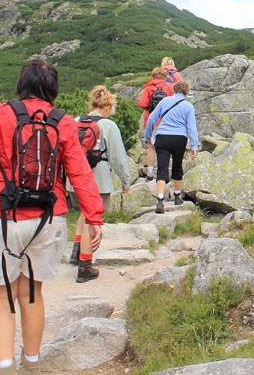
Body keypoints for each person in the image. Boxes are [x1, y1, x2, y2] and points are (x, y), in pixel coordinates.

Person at [0, 58, 104, 374]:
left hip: (3, 217)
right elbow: (80, 172)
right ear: (52, 90)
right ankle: (33, 364)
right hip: (48, 220)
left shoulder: (1, 114)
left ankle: (4, 367)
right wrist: (94, 216)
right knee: (32, 292)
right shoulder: (63, 122)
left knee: (2, 295)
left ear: (21, 85)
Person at [67, 86, 132, 283]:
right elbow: (118, 157)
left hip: (75, 180)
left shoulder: (76, 121)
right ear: (108, 106)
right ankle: (85, 266)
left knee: (84, 213)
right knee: (91, 218)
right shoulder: (108, 126)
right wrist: (125, 179)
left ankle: (76, 251)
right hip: (98, 180)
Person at [144, 80, 199, 213]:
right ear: (186, 91)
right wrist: (194, 146)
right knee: (177, 165)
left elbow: (152, 119)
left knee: (162, 167)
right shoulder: (188, 106)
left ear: (174, 89)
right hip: (179, 138)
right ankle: (177, 196)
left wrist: (147, 136)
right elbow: (192, 127)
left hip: (162, 136)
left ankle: (160, 199)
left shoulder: (164, 101)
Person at [137, 67, 173, 182]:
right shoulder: (169, 87)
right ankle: (164, 173)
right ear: (164, 76)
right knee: (166, 148)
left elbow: (142, 104)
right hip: (166, 121)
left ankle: (150, 173)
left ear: (153, 76)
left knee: (151, 147)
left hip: (151, 121)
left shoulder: (148, 88)